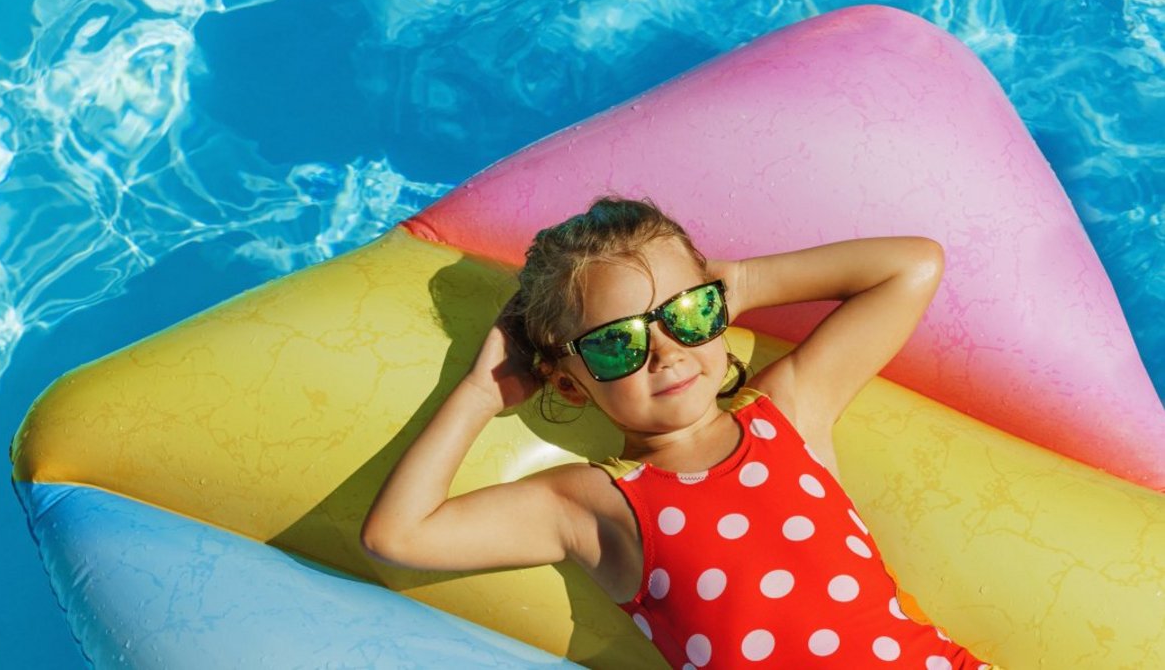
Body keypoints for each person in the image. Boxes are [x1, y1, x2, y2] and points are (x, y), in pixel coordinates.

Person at [361, 195, 996, 669]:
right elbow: (399, 535)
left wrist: (743, 283)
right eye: (617, 344)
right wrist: (479, 395)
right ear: (570, 383)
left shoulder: (787, 411)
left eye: (688, 314)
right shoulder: (593, 502)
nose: (666, 353)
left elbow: (912, 265)